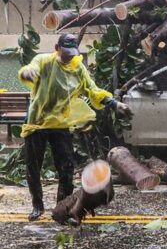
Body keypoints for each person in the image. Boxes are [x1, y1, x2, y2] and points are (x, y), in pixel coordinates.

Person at [18, 33, 130, 221]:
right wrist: (27, 73)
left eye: (72, 52)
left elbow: (92, 90)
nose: (69, 56)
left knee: (67, 166)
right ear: (57, 48)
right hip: (36, 122)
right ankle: (37, 206)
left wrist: (115, 104)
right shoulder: (44, 61)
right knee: (33, 166)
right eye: (66, 52)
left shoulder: (78, 68)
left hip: (60, 123)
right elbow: (29, 69)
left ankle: (62, 208)